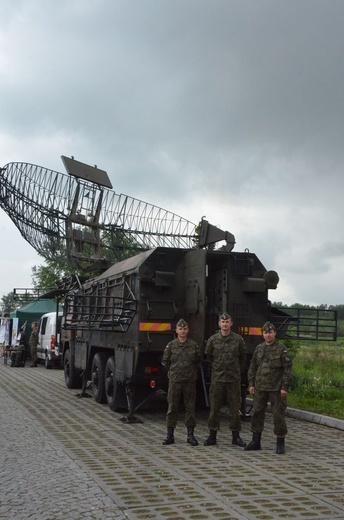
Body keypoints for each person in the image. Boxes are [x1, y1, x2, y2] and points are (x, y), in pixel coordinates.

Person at [245, 321, 293, 454]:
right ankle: (256, 441)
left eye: (270, 333)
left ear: (275, 333)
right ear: (263, 335)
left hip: (276, 388)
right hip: (260, 387)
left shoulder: (281, 349)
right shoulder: (259, 348)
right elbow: (253, 367)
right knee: (257, 413)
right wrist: (251, 384)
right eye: (265, 333)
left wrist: (284, 387)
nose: (268, 335)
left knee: (278, 415)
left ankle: (280, 441)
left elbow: (287, 370)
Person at [204, 312, 247, 447]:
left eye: (227, 322)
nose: (225, 324)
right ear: (219, 323)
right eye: (223, 322)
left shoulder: (238, 340)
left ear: (231, 323)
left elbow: (242, 358)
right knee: (214, 408)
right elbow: (209, 357)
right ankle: (212, 436)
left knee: (235, 408)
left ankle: (236, 436)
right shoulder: (212, 340)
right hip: (218, 379)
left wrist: (233, 369)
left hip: (233, 379)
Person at [161, 319, 202, 446]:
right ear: (177, 330)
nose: (183, 331)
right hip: (175, 381)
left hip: (189, 381)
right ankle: (170, 435)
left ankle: (190, 435)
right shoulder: (171, 345)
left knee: (190, 408)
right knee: (172, 407)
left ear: (188, 330)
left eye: (185, 329)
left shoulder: (193, 345)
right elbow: (166, 361)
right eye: (180, 329)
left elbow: (198, 361)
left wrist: (191, 372)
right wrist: (171, 371)